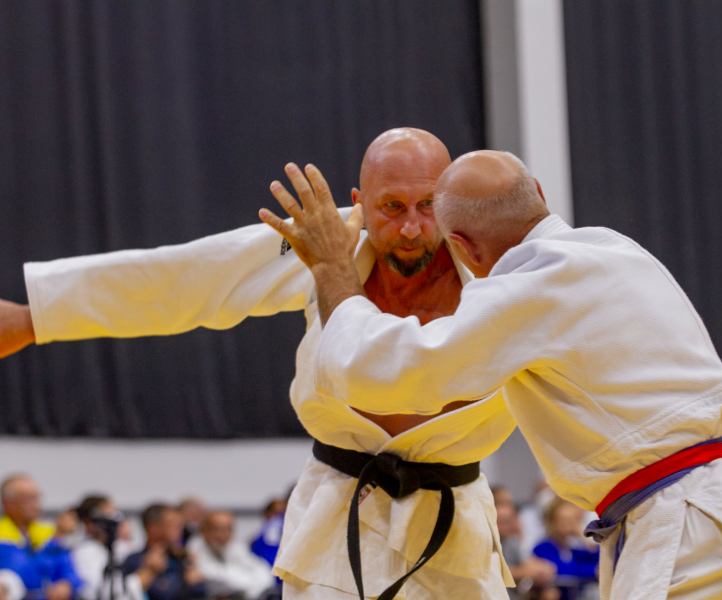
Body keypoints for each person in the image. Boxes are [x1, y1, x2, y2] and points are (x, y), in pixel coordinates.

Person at [261, 149, 722, 599]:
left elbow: (382, 372)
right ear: (540, 195)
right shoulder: (615, 249)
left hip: (691, 528)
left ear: (462, 247)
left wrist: (333, 269)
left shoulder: (528, 286)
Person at [0, 128, 516, 598]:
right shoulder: (325, 243)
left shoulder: (502, 271)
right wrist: (35, 317)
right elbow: (192, 278)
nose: (411, 228)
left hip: (458, 535)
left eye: (428, 205)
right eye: (392, 207)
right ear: (359, 205)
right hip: (337, 527)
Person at [0, 475, 80, 600]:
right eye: (29, 498)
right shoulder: (2, 535)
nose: (36, 504)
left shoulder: (48, 533)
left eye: (37, 497)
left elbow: (71, 571)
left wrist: (68, 584)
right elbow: (19, 574)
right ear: (8, 503)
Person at [121, 504, 205, 600]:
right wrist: (150, 571)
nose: (180, 530)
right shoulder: (135, 561)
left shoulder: (181, 559)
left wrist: (191, 568)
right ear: (153, 528)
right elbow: (131, 593)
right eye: (174, 525)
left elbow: (200, 591)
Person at [70, 495, 146, 600]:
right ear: (90, 523)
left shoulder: (119, 547)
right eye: (108, 515)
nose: (116, 520)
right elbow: (97, 592)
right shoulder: (84, 552)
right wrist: (141, 578)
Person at [190, 510, 273, 600]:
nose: (224, 534)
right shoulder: (194, 548)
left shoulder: (236, 546)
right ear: (205, 531)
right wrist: (248, 581)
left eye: (228, 529)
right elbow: (213, 576)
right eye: (218, 529)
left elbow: (264, 572)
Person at [532, 498, 598, 600]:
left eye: (573, 520)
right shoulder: (543, 547)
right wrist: (593, 571)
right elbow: (561, 569)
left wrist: (583, 537)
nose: (569, 525)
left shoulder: (571, 549)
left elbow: (599, 560)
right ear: (552, 522)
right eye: (564, 520)